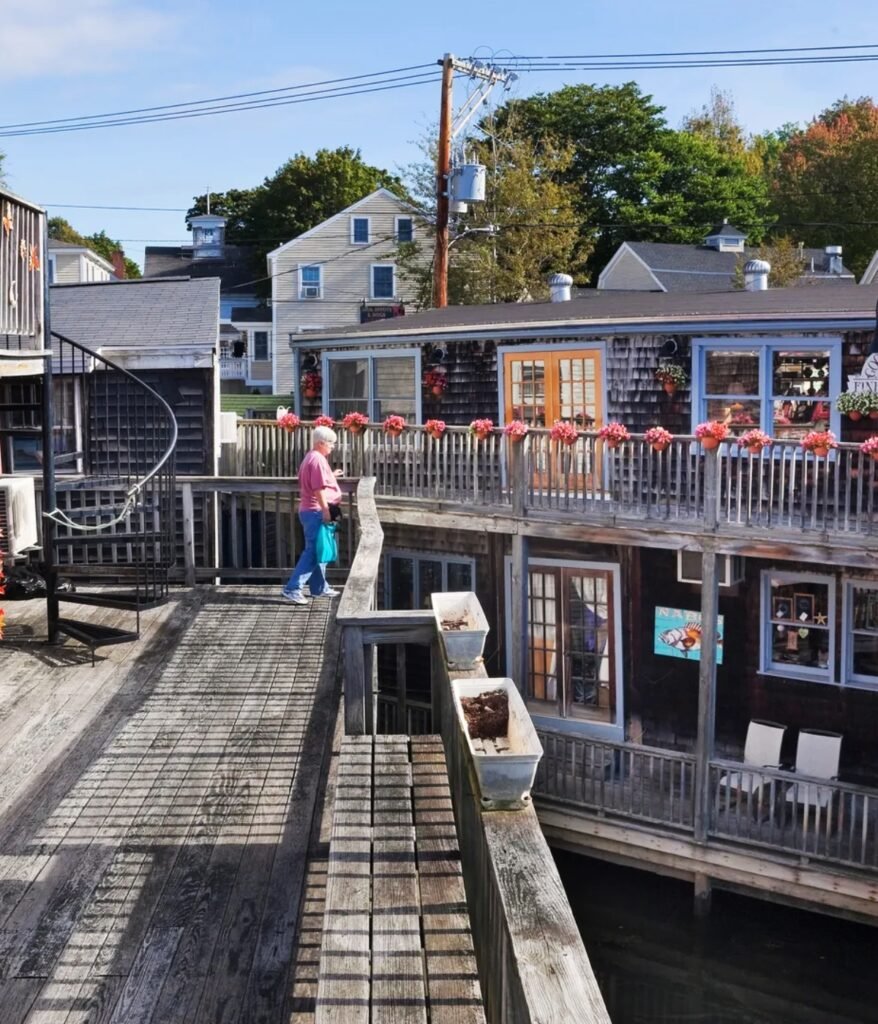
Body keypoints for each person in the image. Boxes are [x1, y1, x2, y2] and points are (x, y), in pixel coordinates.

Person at [281, 425, 343, 604]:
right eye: (331, 443)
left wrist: (331, 476)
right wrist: (325, 511)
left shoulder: (312, 457)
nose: (333, 446)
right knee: (314, 552)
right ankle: (292, 588)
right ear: (321, 443)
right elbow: (317, 488)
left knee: (319, 550)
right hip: (315, 511)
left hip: (311, 510)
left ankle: (319, 588)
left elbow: (316, 480)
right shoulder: (317, 460)